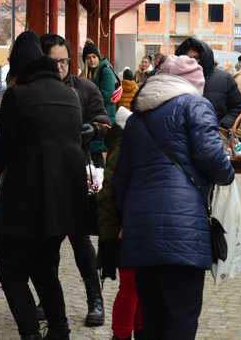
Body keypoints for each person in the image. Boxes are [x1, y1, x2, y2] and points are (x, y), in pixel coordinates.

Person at [115, 55, 235, 340]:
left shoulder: (136, 117)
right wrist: (228, 170)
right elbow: (213, 159)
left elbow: (121, 178)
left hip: (141, 232)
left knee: (152, 318)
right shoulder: (195, 105)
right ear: (195, 84)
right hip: (183, 232)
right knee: (181, 318)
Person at [0, 31, 87, 340]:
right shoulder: (69, 95)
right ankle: (59, 330)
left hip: (24, 202)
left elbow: (1, 153)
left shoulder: (17, 96)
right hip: (63, 202)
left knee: (10, 269)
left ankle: (31, 333)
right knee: (45, 269)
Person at [40, 33, 109, 327]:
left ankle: (96, 299)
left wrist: (94, 130)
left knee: (81, 243)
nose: (60, 67)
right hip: (44, 176)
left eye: (64, 61)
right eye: (53, 62)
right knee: (48, 245)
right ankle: (48, 301)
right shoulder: (36, 92)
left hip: (78, 174)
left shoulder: (85, 88)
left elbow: (106, 122)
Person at [96, 106, 144, 340]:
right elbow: (111, 196)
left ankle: (130, 332)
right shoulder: (125, 149)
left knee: (136, 287)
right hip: (126, 229)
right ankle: (123, 334)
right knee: (132, 286)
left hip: (125, 227)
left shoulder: (121, 146)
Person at [176, 37, 241, 129]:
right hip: (181, 139)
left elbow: (238, 107)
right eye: (187, 57)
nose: (191, 61)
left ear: (203, 57)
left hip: (216, 137)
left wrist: (222, 126)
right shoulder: (174, 79)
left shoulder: (224, 79)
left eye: (196, 57)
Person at [82, 40, 117, 167]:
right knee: (93, 153)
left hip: (104, 117)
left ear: (98, 57)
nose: (91, 60)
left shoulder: (105, 70)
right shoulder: (89, 73)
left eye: (94, 57)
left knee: (97, 154)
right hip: (96, 117)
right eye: (88, 58)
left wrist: (87, 97)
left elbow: (107, 94)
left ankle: (99, 181)